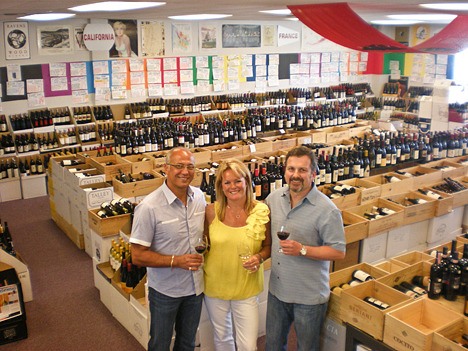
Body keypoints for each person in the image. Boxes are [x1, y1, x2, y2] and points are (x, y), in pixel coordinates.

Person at [264, 146, 346, 351]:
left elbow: (338, 251)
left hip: (308, 298)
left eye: (302, 170)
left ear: (313, 174)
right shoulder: (273, 199)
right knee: (273, 346)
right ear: (285, 172)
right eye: (291, 169)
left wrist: (303, 249)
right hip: (277, 292)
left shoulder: (327, 210)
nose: (295, 175)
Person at [130, 147, 206, 351]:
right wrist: (176, 261)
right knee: (160, 345)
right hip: (165, 291)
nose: (185, 171)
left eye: (190, 167)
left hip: (195, 289)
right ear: (166, 168)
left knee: (187, 343)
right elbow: (137, 256)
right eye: (179, 166)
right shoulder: (148, 207)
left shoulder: (199, 197)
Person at [203, 159, 271, 351]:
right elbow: (204, 244)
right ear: (220, 187)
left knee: (248, 345)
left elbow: (268, 246)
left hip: (246, 287)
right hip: (215, 285)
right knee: (222, 339)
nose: (233, 186)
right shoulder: (211, 212)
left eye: (237, 181)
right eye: (227, 182)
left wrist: (259, 258)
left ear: (247, 182)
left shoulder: (261, 211)